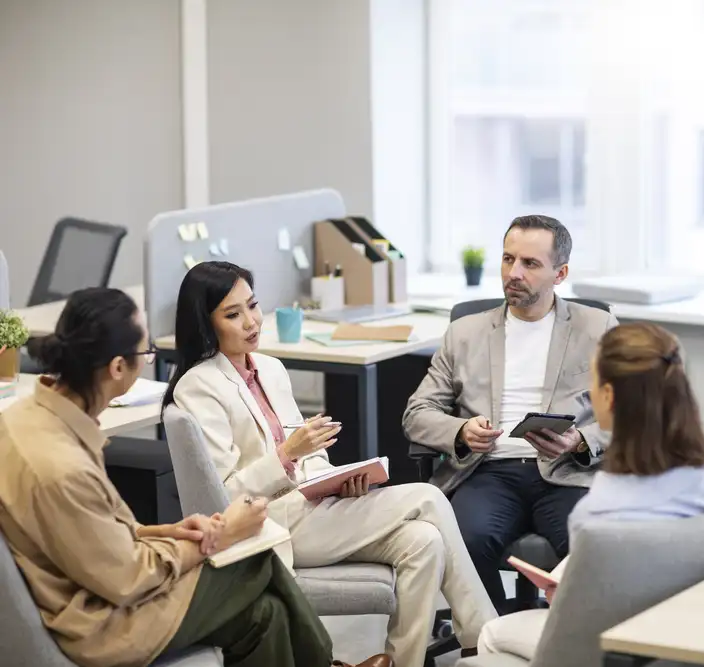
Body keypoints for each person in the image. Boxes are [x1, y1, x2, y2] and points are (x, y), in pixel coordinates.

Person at [0, 287, 391, 667]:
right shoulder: (61, 465)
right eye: (147, 353)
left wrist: (172, 532)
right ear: (118, 367)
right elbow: (127, 578)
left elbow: (98, 535)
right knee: (253, 560)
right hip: (103, 622)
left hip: (95, 586)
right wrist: (220, 536)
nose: (149, 361)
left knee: (266, 614)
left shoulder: (26, 418)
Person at [164, 261, 495, 667]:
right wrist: (286, 455)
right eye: (233, 315)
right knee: (427, 497)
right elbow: (225, 495)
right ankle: (483, 639)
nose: (251, 321)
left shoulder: (270, 368)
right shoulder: (199, 385)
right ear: (206, 322)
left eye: (253, 306)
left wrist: (333, 481)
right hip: (272, 523)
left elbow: (311, 452)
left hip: (312, 507)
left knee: (424, 541)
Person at [476, 322, 704, 659]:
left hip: (613, 645)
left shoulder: (598, 507)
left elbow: (582, 619)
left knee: (490, 633)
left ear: (609, 396)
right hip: (694, 637)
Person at [402, 215, 618, 613]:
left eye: (530, 264)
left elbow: (632, 412)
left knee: (592, 544)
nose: (513, 273)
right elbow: (418, 412)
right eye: (507, 259)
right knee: (465, 540)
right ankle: (495, 637)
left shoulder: (598, 327)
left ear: (560, 273)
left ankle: (565, 644)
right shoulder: (464, 332)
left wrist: (581, 440)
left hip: (567, 470)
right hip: (489, 471)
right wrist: (461, 430)